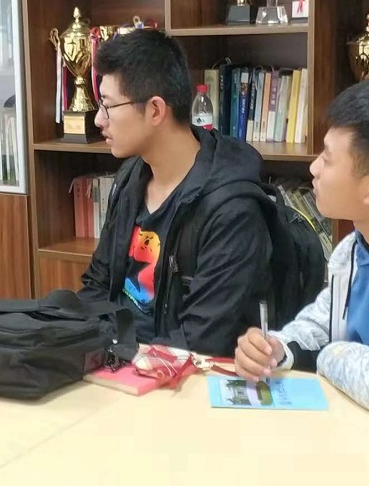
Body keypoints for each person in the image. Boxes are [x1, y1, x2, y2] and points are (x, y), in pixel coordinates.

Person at [234, 77, 369, 421]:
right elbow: (325, 320)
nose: (313, 168)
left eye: (327, 158)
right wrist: (278, 348)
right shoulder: (359, 241)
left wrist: (328, 354)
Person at [78, 29, 272, 356]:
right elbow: (97, 285)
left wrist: (123, 359)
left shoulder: (231, 209)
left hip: (180, 372)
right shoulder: (130, 178)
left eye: (108, 106)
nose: (99, 119)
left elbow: (200, 337)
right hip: (118, 359)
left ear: (155, 110)